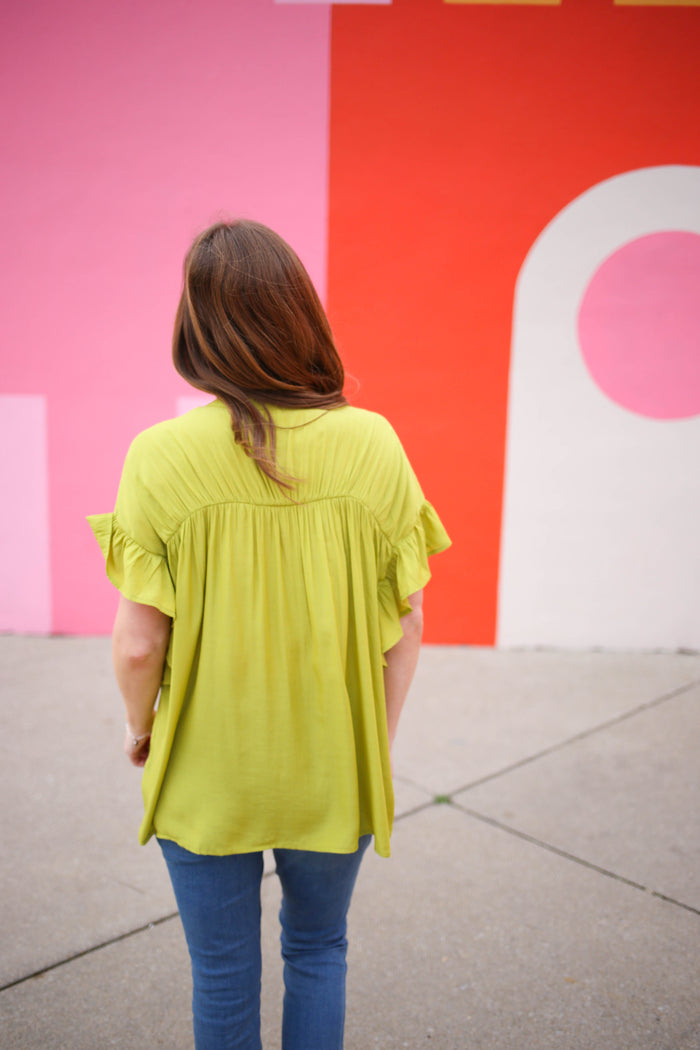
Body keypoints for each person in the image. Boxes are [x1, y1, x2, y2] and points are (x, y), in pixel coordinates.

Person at [88, 219, 450, 1050]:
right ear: (301, 316)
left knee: (220, 976)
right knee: (320, 950)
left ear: (199, 327)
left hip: (208, 771)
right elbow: (410, 618)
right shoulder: (375, 443)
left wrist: (143, 731)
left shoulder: (159, 455)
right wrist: (374, 744)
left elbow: (140, 644)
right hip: (333, 767)